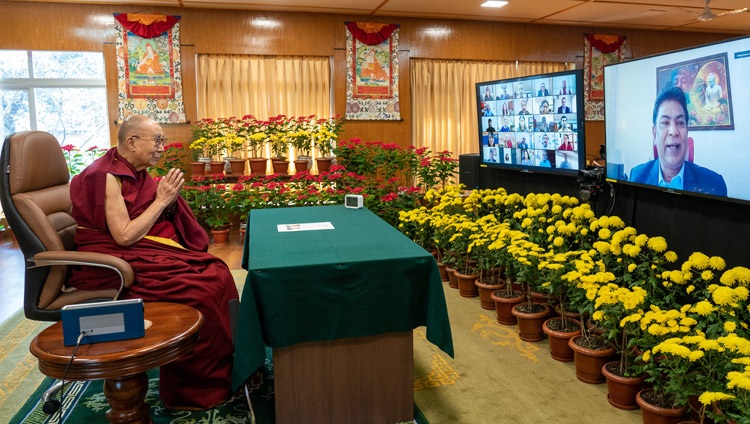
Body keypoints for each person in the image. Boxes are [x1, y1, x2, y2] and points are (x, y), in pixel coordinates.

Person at [68, 115, 240, 410]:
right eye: (157, 140)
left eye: (162, 140)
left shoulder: (132, 169)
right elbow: (123, 236)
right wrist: (162, 201)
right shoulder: (105, 176)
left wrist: (168, 202)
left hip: (141, 250)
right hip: (112, 263)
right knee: (202, 287)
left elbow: (141, 213)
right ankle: (193, 391)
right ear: (132, 142)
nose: (163, 147)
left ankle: (224, 368)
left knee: (216, 271)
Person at [629, 87, 727, 196]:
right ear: (654, 133)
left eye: (680, 123)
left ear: (687, 131)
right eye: (665, 122)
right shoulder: (636, 177)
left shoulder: (714, 184)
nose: (673, 131)